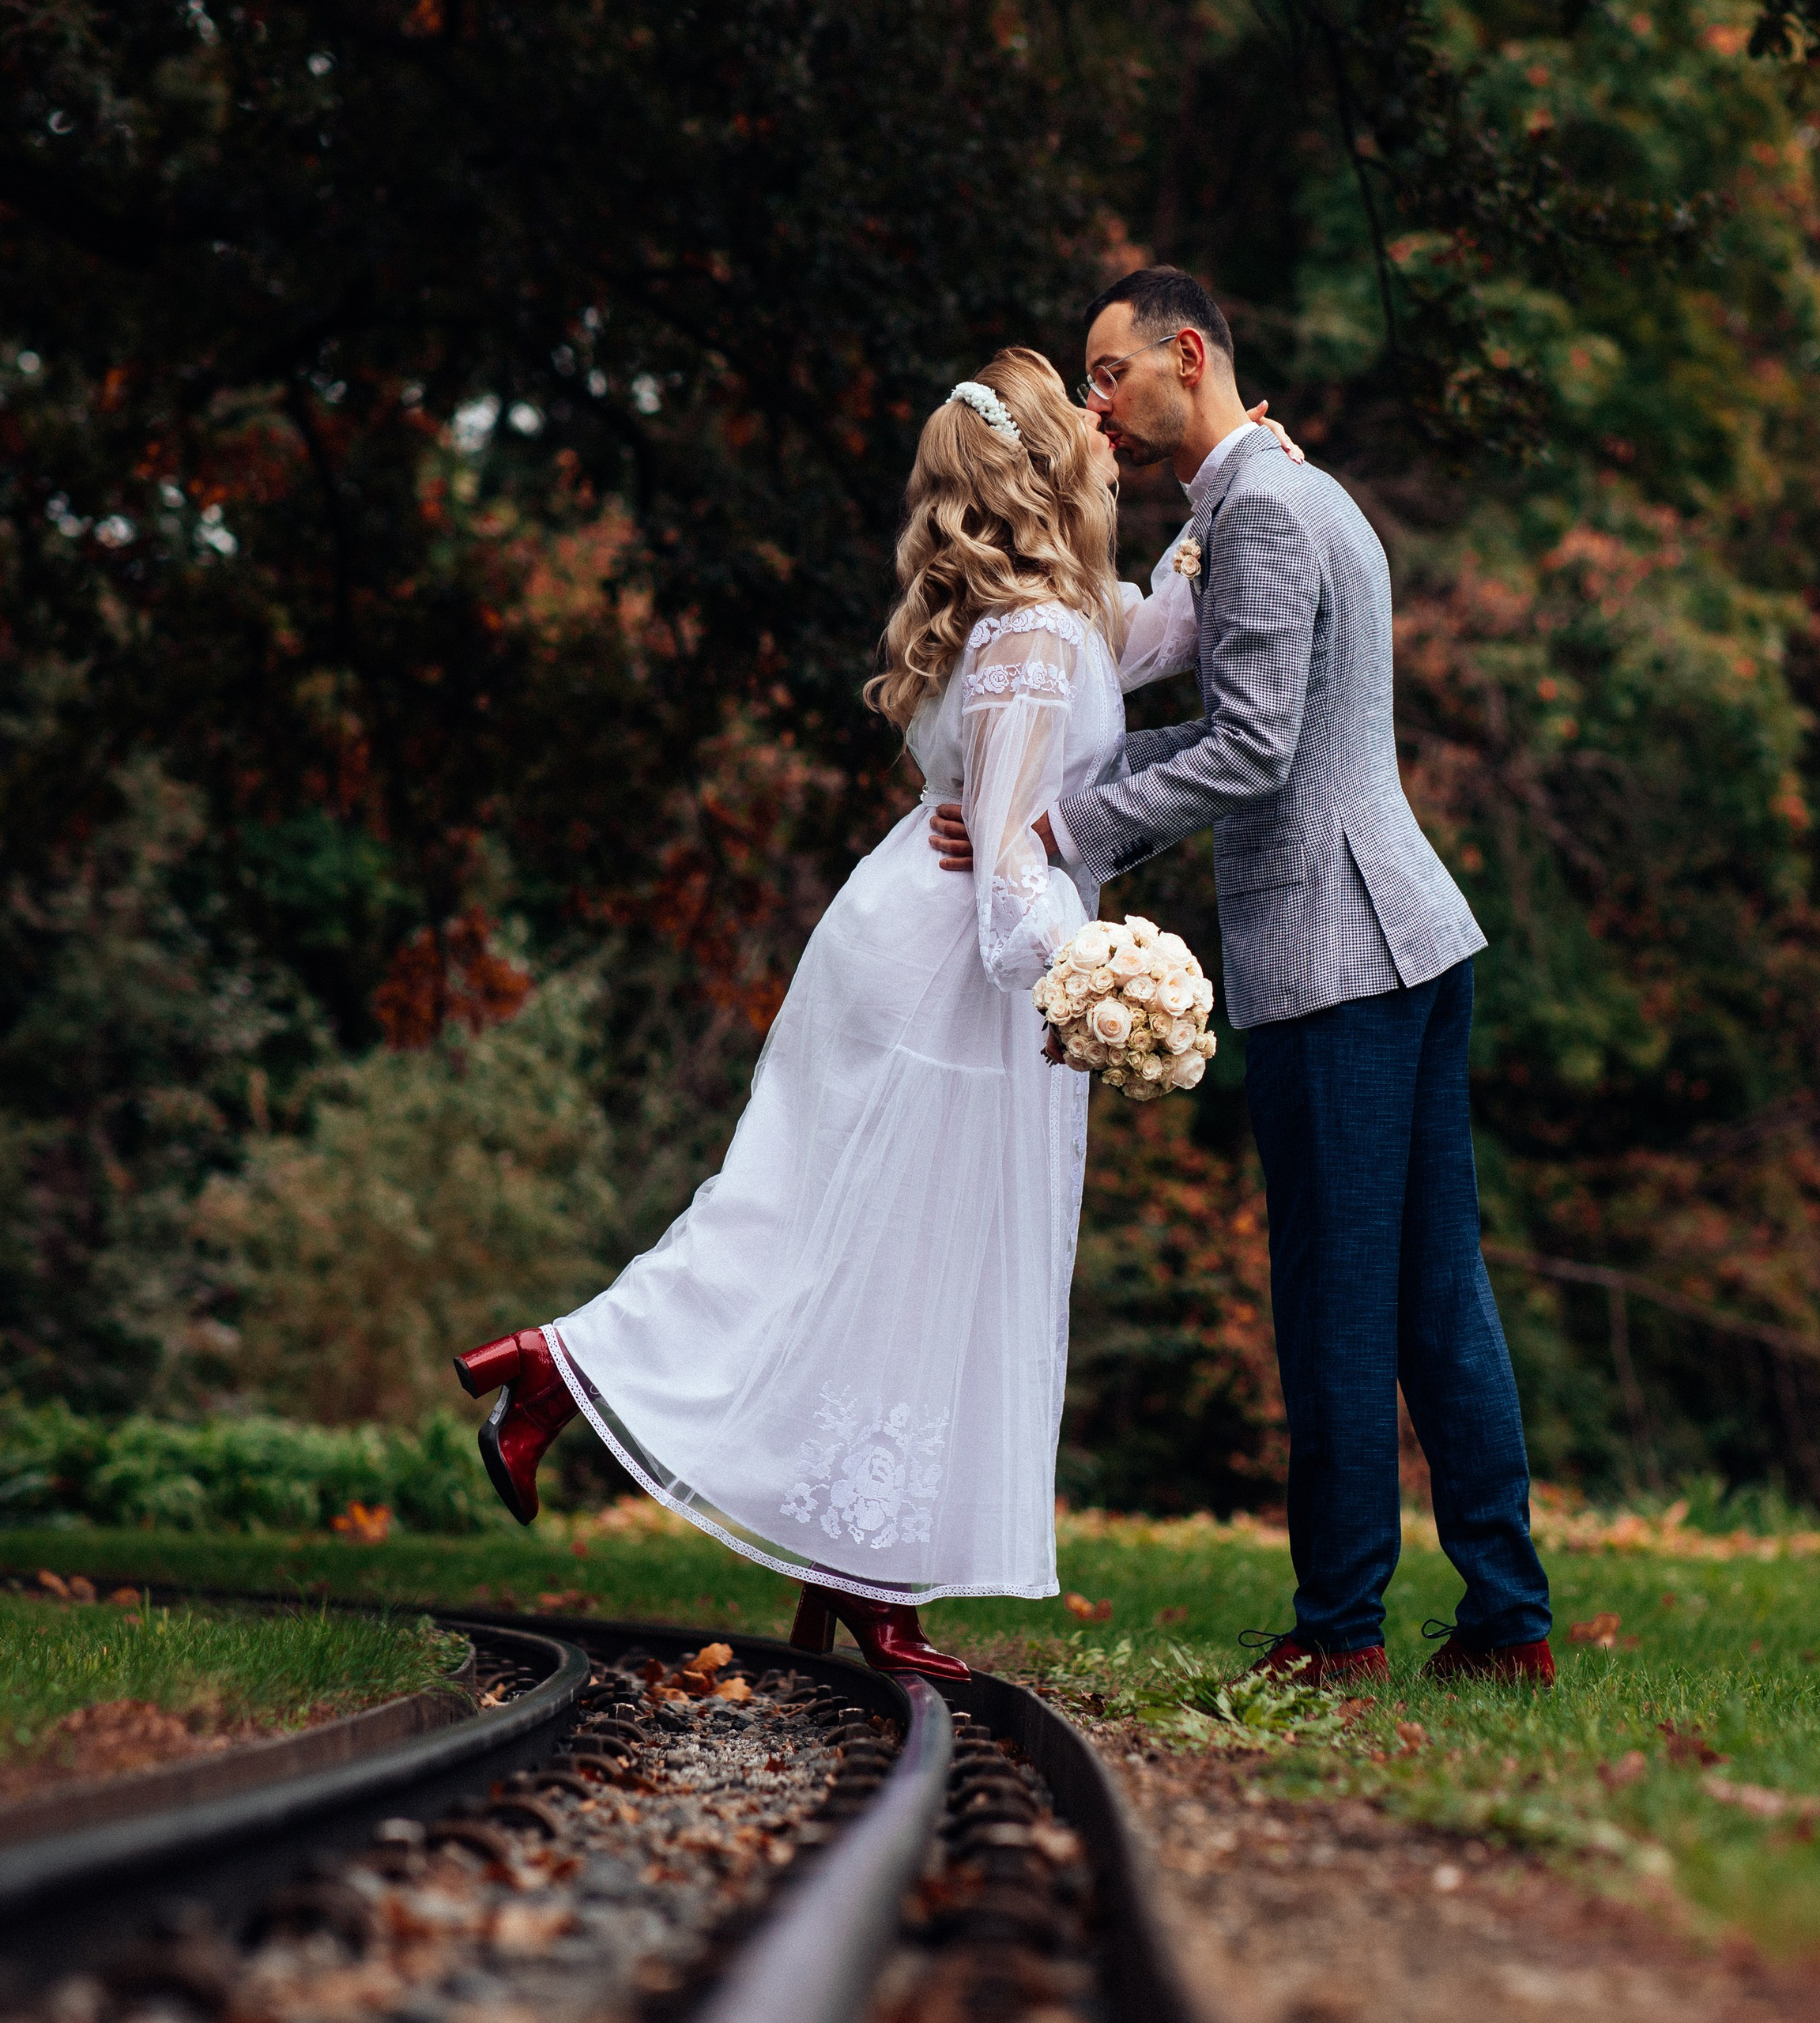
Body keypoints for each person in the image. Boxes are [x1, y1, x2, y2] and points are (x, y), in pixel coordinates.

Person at [451, 348, 1290, 1682]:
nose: (1097, 418)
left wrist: (1241, 483)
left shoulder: (1054, 613)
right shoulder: (1027, 639)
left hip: (940, 950)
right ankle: (592, 1388)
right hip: (952, 968)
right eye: (1072, 409)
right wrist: (1097, 985)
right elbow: (1013, 856)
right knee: (859, 1246)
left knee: (885, 1254)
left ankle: (688, 1455)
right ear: (1035, 468)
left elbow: (1170, 634)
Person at [931, 268, 1554, 1687]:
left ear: (1187, 353)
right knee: (1433, 1296)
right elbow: (1229, 695)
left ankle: (1338, 1635)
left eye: (1109, 374)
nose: (1098, 406)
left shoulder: (1264, 509)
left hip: (1339, 953)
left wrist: (1058, 824)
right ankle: (1508, 1623)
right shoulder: (1283, 492)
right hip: (1409, 936)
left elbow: (1254, 748)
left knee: (1337, 1302)